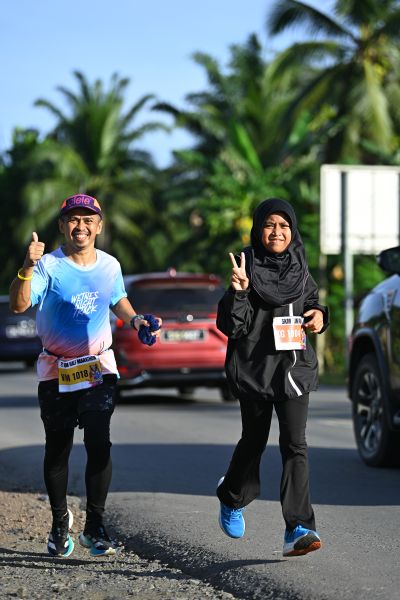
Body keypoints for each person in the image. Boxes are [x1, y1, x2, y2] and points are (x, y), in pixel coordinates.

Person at [9, 193, 161, 558]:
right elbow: (19, 304)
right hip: (56, 368)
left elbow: (117, 299)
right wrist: (27, 267)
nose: (81, 226)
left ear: (99, 226)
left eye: (88, 220)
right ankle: (60, 522)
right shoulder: (47, 265)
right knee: (58, 448)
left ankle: (95, 527)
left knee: (98, 440)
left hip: (97, 367)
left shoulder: (110, 265)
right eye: (74, 220)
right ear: (63, 226)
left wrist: (136, 320)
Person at [216, 197, 329, 557]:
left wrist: (319, 315)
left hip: (293, 369)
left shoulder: (300, 265)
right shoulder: (245, 265)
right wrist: (239, 291)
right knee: (254, 440)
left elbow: (312, 302)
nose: (277, 232)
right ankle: (231, 496)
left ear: (292, 231)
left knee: (295, 444)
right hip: (254, 369)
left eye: (284, 226)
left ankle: (298, 527)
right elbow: (233, 327)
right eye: (269, 225)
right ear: (258, 229)